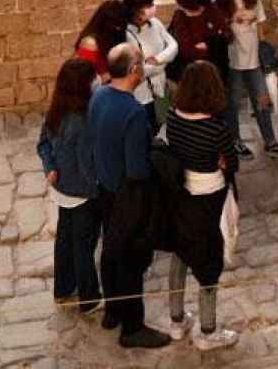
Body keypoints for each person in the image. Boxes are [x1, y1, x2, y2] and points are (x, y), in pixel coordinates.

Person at [88, 43, 172, 349]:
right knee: (131, 260)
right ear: (134, 69)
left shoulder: (98, 95)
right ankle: (133, 327)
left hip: (104, 189)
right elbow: (137, 168)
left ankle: (113, 312)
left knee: (110, 252)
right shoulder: (134, 112)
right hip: (127, 194)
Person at [162, 61, 241, 351]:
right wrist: (221, 161)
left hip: (182, 193)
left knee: (181, 252)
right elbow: (232, 163)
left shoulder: (173, 115)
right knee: (209, 261)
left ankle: (176, 319)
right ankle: (208, 330)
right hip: (210, 196)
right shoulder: (214, 127)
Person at [212, 0, 278, 161]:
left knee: (262, 101)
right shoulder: (219, 2)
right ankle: (235, 141)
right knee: (231, 104)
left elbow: (260, 26)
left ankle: (271, 142)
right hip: (233, 61)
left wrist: (261, 50)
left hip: (253, 60)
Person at [38, 58, 101, 313]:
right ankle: (89, 298)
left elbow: (43, 144)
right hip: (83, 192)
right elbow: (87, 164)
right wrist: (98, 190)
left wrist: (50, 168)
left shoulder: (55, 112)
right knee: (83, 245)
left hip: (62, 188)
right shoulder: (82, 121)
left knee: (65, 240)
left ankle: (63, 288)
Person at [123, 0, 179, 129]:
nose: (153, 8)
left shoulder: (155, 23)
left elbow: (173, 46)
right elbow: (139, 71)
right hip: (142, 95)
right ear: (136, 9)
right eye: (149, 5)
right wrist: (163, 63)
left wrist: (159, 59)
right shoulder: (127, 34)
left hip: (160, 88)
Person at [167, 0, 225, 90]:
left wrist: (209, 44)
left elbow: (226, 35)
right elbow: (187, 49)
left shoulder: (212, 9)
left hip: (217, 72)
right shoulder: (180, 16)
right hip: (191, 76)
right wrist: (212, 44)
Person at [75, 0, 131, 81]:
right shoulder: (90, 43)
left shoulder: (117, 35)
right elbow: (84, 77)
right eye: (115, 25)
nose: (118, 28)